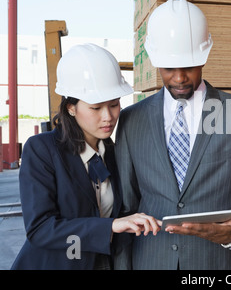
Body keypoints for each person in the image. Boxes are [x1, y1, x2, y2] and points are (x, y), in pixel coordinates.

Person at [113, 0, 231, 270]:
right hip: (151, 261)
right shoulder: (132, 120)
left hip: (215, 261)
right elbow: (127, 209)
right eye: (168, 68)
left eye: (189, 66)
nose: (179, 78)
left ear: (205, 55)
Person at [11, 44, 160, 270]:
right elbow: (40, 229)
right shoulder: (42, 150)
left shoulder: (114, 152)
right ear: (71, 107)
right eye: (95, 107)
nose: (108, 117)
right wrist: (109, 227)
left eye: (114, 105)